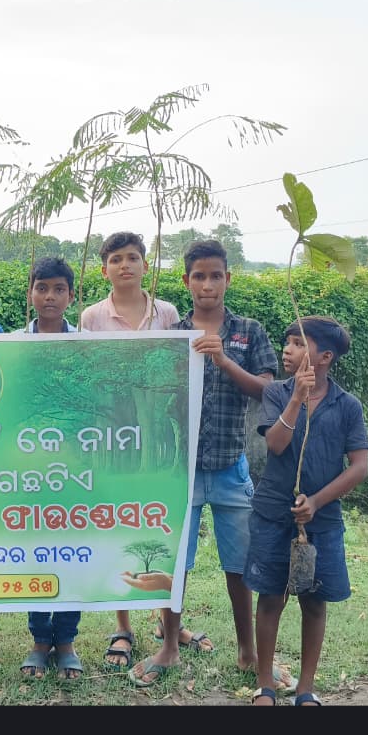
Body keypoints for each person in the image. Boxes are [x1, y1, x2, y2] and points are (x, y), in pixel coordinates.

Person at [129, 239, 279, 687]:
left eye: (216, 276)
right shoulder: (174, 333)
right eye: (199, 276)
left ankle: (248, 652)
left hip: (231, 467)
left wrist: (223, 359)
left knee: (240, 566)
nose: (207, 284)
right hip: (182, 470)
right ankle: (169, 647)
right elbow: (149, 390)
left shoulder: (249, 331)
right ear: (186, 281)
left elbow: (268, 391)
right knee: (176, 563)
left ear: (228, 279)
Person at [246, 316, 368, 706]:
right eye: (287, 342)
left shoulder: (346, 406)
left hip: (323, 521)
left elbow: (360, 466)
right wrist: (297, 398)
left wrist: (317, 502)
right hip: (272, 513)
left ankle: (306, 687)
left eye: (299, 343)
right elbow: (277, 445)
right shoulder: (277, 393)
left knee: (314, 602)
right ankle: (265, 684)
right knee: (271, 597)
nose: (287, 349)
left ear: (325, 357)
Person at [77, 231, 179, 670]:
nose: (125, 265)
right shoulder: (92, 316)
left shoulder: (167, 313)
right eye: (116, 259)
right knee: (119, 522)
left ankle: (165, 622)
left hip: (157, 430)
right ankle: (122, 626)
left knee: (160, 523)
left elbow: (176, 369)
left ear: (145, 265)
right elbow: (89, 373)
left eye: (133, 257)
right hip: (114, 431)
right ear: (105, 269)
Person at [16, 257, 84, 680]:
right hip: (25, 467)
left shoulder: (87, 345)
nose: (50, 297)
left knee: (71, 550)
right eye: (42, 288)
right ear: (30, 293)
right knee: (35, 551)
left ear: (71, 296)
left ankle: (68, 640)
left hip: (76, 468)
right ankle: (40, 640)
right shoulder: (10, 346)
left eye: (59, 289)